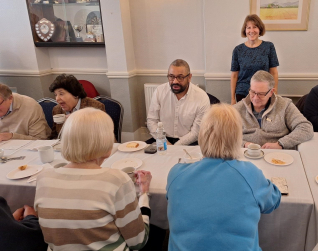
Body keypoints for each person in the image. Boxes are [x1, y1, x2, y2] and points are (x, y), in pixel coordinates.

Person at [166, 103, 281, 251]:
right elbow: (273, 202)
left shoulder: (176, 173)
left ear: (202, 135)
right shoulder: (250, 175)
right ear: (237, 139)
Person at [34, 108, 152, 251]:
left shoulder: (43, 179)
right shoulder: (116, 180)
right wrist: (144, 194)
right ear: (107, 143)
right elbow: (138, 242)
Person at [233, 70, 314, 149]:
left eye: (261, 94)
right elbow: (223, 135)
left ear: (271, 92)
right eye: (253, 92)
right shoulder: (236, 109)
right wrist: (244, 144)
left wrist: (281, 144)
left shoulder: (285, 105)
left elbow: (306, 128)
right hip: (246, 153)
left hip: (278, 155)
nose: (255, 98)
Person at [147, 59, 210, 145]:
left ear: (189, 77)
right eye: (171, 77)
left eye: (180, 77)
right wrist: (165, 142)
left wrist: (175, 147)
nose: (175, 81)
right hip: (163, 138)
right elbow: (152, 121)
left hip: (190, 141)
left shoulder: (202, 97)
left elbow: (196, 132)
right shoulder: (159, 91)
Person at [231, 14, 279, 104]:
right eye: (248, 27)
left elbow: (274, 72)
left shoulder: (269, 47)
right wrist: (232, 98)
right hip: (243, 93)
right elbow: (234, 75)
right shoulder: (238, 50)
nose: (251, 30)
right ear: (245, 30)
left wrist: (274, 92)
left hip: (263, 92)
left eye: (255, 27)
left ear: (259, 29)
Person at [49, 74, 105, 139]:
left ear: (75, 94)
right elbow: (54, 136)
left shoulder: (95, 107)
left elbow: (103, 135)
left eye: (61, 94)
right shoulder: (57, 110)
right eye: (55, 95)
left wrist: (79, 121)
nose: (57, 99)